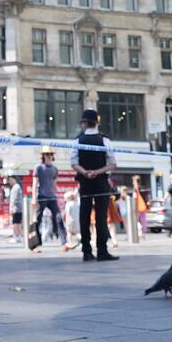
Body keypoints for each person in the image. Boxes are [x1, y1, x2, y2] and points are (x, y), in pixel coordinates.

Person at [72, 108, 119, 261]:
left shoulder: (77, 141)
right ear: (96, 123)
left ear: (84, 123)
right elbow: (113, 164)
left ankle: (86, 251)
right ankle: (102, 251)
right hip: (101, 182)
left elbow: (74, 163)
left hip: (85, 182)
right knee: (101, 217)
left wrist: (85, 172)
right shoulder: (104, 140)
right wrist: (98, 171)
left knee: (84, 216)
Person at [33, 150, 66, 243]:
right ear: (43, 155)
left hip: (52, 196)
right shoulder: (38, 167)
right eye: (47, 154)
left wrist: (57, 194)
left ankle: (64, 240)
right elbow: (34, 183)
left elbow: (55, 184)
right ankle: (36, 240)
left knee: (58, 217)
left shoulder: (54, 169)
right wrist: (34, 198)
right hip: (42, 196)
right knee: (38, 219)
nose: (49, 156)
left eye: (51, 154)